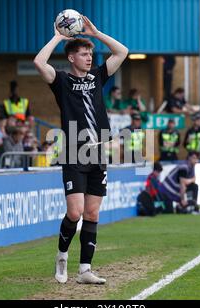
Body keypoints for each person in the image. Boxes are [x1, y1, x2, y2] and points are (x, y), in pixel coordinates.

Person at [34, 15, 128, 284]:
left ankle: (85, 269)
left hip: (98, 152)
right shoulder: (61, 81)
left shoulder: (99, 75)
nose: (89, 57)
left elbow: (122, 51)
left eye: (90, 53)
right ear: (72, 58)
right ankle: (62, 256)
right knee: (74, 213)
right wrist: (58, 37)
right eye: (84, 54)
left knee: (92, 213)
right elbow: (39, 62)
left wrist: (97, 34)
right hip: (75, 151)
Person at [159, 151, 200, 215]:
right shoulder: (184, 167)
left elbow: (193, 180)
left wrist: (188, 181)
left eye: (197, 158)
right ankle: (185, 207)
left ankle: (193, 208)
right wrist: (183, 199)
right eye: (194, 158)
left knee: (194, 186)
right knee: (168, 211)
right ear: (189, 158)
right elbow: (182, 184)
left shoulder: (191, 166)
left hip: (174, 190)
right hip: (166, 190)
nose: (196, 160)